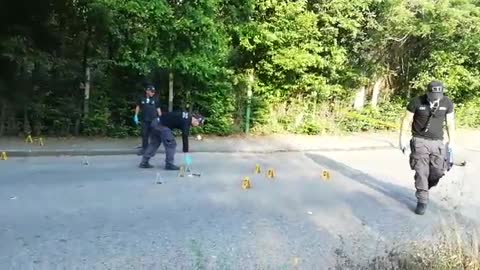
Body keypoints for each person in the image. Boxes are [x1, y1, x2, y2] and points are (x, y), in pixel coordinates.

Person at [399, 80, 456, 215]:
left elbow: (450, 123)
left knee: (437, 171)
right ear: (428, 92)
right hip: (419, 140)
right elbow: (406, 120)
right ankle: (422, 199)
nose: (436, 98)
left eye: (439, 95)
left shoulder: (447, 103)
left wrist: (452, 142)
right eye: (433, 95)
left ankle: (424, 184)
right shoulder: (416, 102)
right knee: (421, 170)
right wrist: (402, 139)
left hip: (438, 142)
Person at [139, 111, 205, 170]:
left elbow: (173, 118)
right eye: (199, 124)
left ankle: (144, 162)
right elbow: (185, 137)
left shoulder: (186, 115)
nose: (197, 126)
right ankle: (169, 164)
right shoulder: (187, 122)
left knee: (154, 143)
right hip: (161, 126)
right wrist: (186, 153)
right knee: (171, 144)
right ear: (196, 120)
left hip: (155, 122)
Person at [134, 85, 162, 155]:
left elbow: (158, 109)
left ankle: (152, 150)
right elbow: (138, 107)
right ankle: (144, 149)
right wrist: (136, 115)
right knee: (144, 135)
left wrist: (160, 118)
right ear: (147, 91)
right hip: (144, 120)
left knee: (154, 135)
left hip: (153, 120)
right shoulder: (141, 98)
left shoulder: (155, 99)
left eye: (154, 92)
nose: (153, 93)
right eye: (151, 91)